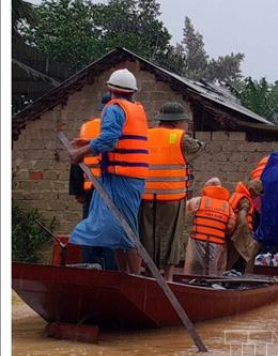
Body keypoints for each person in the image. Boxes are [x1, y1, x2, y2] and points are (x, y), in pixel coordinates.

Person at [68, 69, 149, 274]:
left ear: (110, 89)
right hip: (127, 177)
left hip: (121, 177)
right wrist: (88, 142)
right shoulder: (136, 110)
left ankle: (134, 279)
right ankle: (125, 277)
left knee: (127, 230)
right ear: (133, 92)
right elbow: (121, 139)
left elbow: (109, 140)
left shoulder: (114, 108)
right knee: (118, 231)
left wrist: (82, 152)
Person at [139, 102, 205, 280]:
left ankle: (148, 273)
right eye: (184, 121)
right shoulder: (180, 138)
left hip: (145, 196)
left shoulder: (146, 135)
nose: (186, 125)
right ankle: (167, 277)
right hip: (172, 196)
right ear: (176, 122)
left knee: (147, 236)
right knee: (171, 237)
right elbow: (199, 147)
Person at [68, 94, 117, 270]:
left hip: (89, 188)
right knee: (111, 229)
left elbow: (76, 160)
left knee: (90, 228)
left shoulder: (86, 128)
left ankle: (88, 267)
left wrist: (77, 191)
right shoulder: (118, 127)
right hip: (112, 187)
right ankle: (110, 269)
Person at [185, 178, 237, 275]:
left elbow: (183, 209)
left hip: (197, 241)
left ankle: (190, 280)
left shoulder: (198, 201)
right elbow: (230, 227)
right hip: (217, 243)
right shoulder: (228, 208)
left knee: (194, 269)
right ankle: (214, 282)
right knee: (215, 269)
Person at [228, 179, 263, 272]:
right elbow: (242, 218)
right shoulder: (245, 201)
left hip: (232, 232)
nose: (256, 197)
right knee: (248, 254)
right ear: (252, 190)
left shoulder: (237, 195)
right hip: (239, 234)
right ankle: (243, 279)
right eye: (257, 194)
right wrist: (246, 236)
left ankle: (226, 276)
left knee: (230, 259)